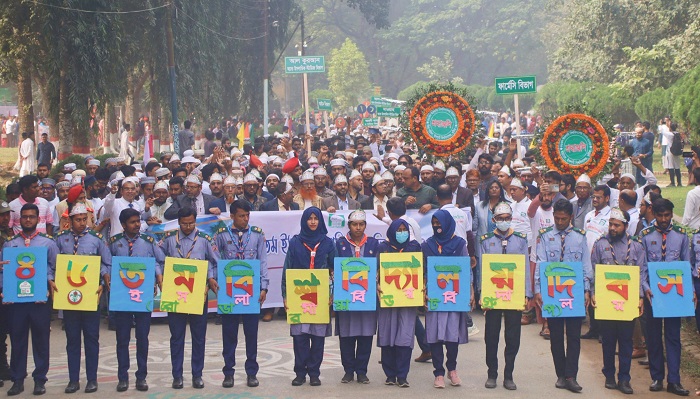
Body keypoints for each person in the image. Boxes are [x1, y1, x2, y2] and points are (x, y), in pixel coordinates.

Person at [534, 199, 592, 393]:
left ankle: (571, 375)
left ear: (571, 217)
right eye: (556, 218)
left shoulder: (579, 237)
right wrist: (538, 290)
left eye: (563, 219)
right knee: (556, 335)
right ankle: (560, 374)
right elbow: (541, 263)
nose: (559, 222)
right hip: (552, 292)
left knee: (574, 336)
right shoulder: (544, 236)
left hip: (573, 292)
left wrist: (586, 289)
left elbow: (585, 265)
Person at [158, 206, 219, 389]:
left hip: (198, 293)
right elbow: (159, 259)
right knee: (177, 336)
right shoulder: (169, 239)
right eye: (184, 223)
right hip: (175, 293)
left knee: (198, 336)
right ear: (178, 222)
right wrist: (160, 275)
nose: (188, 226)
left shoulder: (204, 239)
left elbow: (214, 261)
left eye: (191, 223)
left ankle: (197, 374)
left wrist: (210, 278)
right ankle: (177, 375)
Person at [54, 203, 111, 394]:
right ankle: (73, 380)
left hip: (90, 296)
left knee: (91, 338)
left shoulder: (96, 239)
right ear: (69, 220)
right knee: (72, 339)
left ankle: (92, 379)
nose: (81, 223)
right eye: (77, 220)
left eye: (83, 219)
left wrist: (103, 280)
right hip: (69, 297)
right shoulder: (61, 239)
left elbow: (106, 263)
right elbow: (54, 265)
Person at [3, 204, 59, 396]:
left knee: (41, 340)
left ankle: (40, 379)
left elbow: (54, 267)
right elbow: (5, 270)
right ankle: (17, 379)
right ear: (19, 220)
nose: (28, 220)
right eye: (24, 217)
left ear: (38, 219)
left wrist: (49, 282)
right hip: (16, 303)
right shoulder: (10, 244)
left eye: (31, 217)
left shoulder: (48, 243)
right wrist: (5, 291)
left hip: (39, 301)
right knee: (18, 341)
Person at [108, 208, 165, 392]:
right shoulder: (115, 243)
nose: (137, 225)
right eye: (132, 222)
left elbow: (159, 260)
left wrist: (158, 275)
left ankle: (141, 376)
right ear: (123, 225)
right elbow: (107, 264)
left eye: (138, 221)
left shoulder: (148, 241)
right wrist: (106, 276)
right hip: (122, 296)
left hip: (143, 295)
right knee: (122, 338)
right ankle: (122, 377)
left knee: (142, 337)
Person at [590, 208, 645, 395]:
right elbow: (593, 272)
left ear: (625, 226)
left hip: (627, 301)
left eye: (617, 225)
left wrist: (640, 297)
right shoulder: (600, 244)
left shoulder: (636, 246)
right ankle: (609, 375)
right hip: (606, 301)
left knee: (626, 340)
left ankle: (625, 378)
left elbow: (641, 273)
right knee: (608, 340)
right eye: (611, 224)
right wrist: (593, 293)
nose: (612, 228)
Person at [214, 200, 268, 388]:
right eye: (241, 216)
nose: (245, 219)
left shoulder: (257, 235)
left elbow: (262, 261)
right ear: (232, 216)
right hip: (229, 291)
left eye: (247, 216)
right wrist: (214, 278)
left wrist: (264, 286)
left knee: (251, 334)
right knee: (229, 334)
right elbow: (215, 259)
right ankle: (228, 372)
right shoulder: (221, 235)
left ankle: (251, 372)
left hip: (250, 291)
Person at [640, 198, 690, 396]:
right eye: (660, 215)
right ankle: (657, 377)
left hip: (674, 294)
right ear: (654, 214)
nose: (663, 219)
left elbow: (686, 264)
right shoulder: (645, 235)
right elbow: (641, 266)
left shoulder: (681, 235)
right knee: (653, 336)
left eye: (667, 215)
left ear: (671, 214)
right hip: (652, 294)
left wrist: (689, 292)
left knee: (673, 336)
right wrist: (645, 288)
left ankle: (674, 381)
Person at [281, 207, 336, 387]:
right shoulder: (295, 242)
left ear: (320, 221)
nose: (313, 222)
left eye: (316, 219)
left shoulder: (328, 243)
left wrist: (332, 294)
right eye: (309, 219)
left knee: (318, 338)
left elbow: (335, 270)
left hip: (320, 297)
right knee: (300, 337)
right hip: (299, 295)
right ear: (304, 221)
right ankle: (300, 372)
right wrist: (285, 295)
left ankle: (314, 373)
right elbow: (287, 269)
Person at [480, 202, 530, 390]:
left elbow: (525, 268)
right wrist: (482, 294)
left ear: (511, 219)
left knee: (512, 336)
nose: (503, 222)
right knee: (491, 336)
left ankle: (508, 375)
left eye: (506, 218)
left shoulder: (520, 240)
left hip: (513, 295)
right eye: (500, 219)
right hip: (493, 295)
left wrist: (526, 294)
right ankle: (491, 373)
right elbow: (483, 271)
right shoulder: (486, 240)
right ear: (494, 220)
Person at [421, 210, 473, 389]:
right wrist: (423, 291)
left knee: (452, 336)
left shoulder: (459, 244)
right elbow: (422, 271)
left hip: (453, 297)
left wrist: (470, 292)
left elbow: (466, 269)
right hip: (434, 297)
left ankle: (452, 369)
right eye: (434, 223)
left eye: (440, 222)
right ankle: (438, 373)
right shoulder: (427, 245)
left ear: (448, 223)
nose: (437, 226)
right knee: (434, 337)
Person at [334, 210, 379, 384]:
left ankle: (362, 371)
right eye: (354, 224)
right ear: (349, 225)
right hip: (346, 295)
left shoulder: (374, 244)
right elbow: (334, 267)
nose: (358, 228)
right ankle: (348, 370)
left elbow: (379, 266)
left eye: (361, 224)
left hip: (366, 296)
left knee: (365, 334)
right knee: (346, 334)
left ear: (365, 226)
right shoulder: (339, 244)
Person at [376, 219, 421, 388]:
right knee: (387, 334)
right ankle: (390, 374)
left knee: (405, 336)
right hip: (388, 298)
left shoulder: (414, 247)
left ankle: (402, 375)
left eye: (404, 230)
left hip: (408, 299)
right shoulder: (383, 248)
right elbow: (376, 271)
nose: (401, 233)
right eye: (398, 230)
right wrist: (377, 284)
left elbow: (421, 269)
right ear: (392, 231)